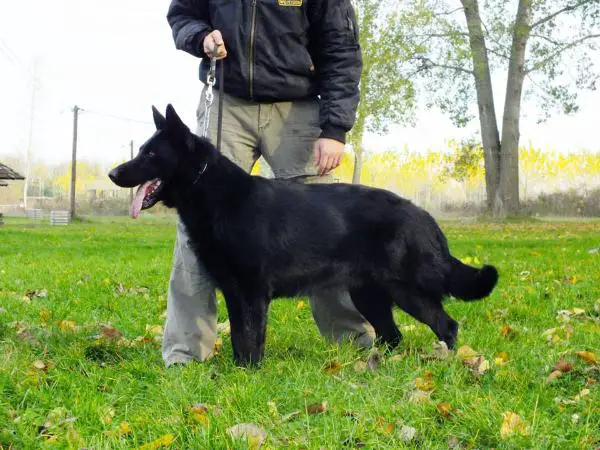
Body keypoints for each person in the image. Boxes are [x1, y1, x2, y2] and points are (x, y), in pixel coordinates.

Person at [162, 0, 375, 367]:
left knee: (327, 228)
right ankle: (185, 351)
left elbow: (340, 46)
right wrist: (200, 38)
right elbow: (182, 15)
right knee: (196, 224)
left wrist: (335, 128)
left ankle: (352, 339)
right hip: (227, 102)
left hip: (298, 107)